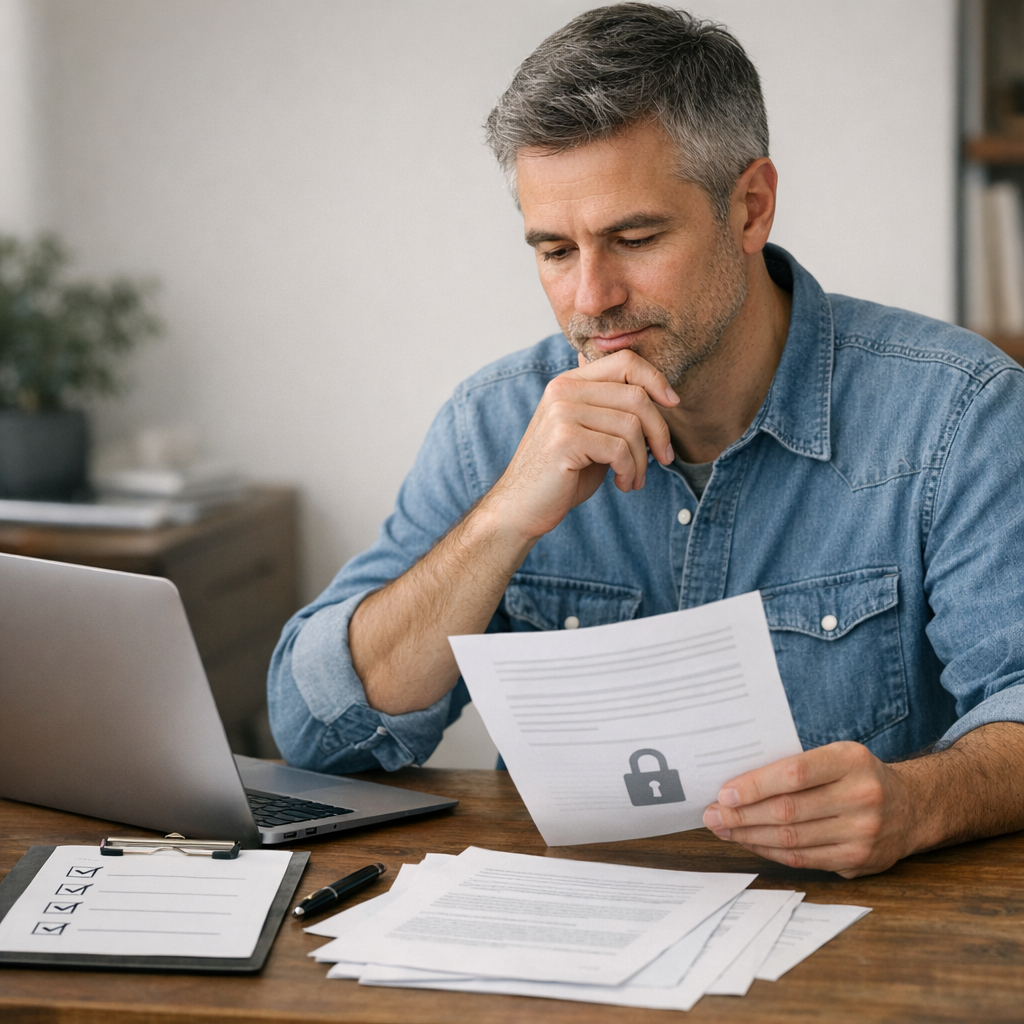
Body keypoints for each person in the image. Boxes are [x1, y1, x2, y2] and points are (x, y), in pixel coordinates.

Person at [268, 4, 1024, 877]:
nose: (591, 299)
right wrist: (503, 520)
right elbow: (313, 732)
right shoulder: (493, 422)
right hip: (563, 953)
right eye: (554, 250)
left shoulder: (959, 414)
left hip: (858, 958)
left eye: (634, 238)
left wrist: (919, 803)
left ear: (750, 207)